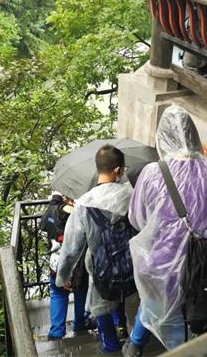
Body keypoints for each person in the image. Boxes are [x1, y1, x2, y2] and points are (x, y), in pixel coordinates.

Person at [122, 105, 207, 356]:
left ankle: (137, 346)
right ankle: (141, 344)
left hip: (162, 266)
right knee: (188, 318)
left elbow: (137, 219)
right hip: (205, 269)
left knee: (162, 310)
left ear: (162, 137)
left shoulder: (153, 173)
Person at [56, 145, 133, 354]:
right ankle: (133, 339)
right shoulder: (131, 194)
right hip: (132, 266)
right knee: (131, 303)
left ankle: (111, 346)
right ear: (118, 170)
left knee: (101, 309)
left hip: (101, 269)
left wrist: (63, 277)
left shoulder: (83, 204)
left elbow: (71, 249)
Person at [41, 192, 89, 340]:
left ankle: (56, 331)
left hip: (56, 262)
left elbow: (43, 224)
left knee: (58, 294)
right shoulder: (80, 214)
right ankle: (80, 323)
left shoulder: (52, 212)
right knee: (81, 292)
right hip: (77, 265)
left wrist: (55, 199)